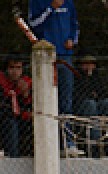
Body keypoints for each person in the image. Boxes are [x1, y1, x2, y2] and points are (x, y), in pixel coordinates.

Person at [28, 0, 82, 157]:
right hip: (44, 57)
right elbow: (33, 24)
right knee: (45, 101)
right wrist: (51, 8)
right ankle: (45, 143)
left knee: (66, 101)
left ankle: (68, 143)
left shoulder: (68, 2)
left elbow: (75, 24)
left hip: (65, 57)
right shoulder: (36, 2)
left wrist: (72, 40)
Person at [0, 57, 33, 158]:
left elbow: (30, 104)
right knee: (10, 124)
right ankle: (14, 156)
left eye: (18, 68)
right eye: (12, 68)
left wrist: (26, 94)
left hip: (22, 115)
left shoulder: (27, 82)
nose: (15, 72)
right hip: (3, 116)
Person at [73, 52, 108, 152]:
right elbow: (80, 94)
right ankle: (95, 139)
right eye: (86, 64)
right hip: (82, 106)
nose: (89, 66)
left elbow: (102, 92)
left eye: (91, 64)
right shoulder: (76, 77)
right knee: (90, 104)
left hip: (97, 104)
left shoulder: (96, 77)